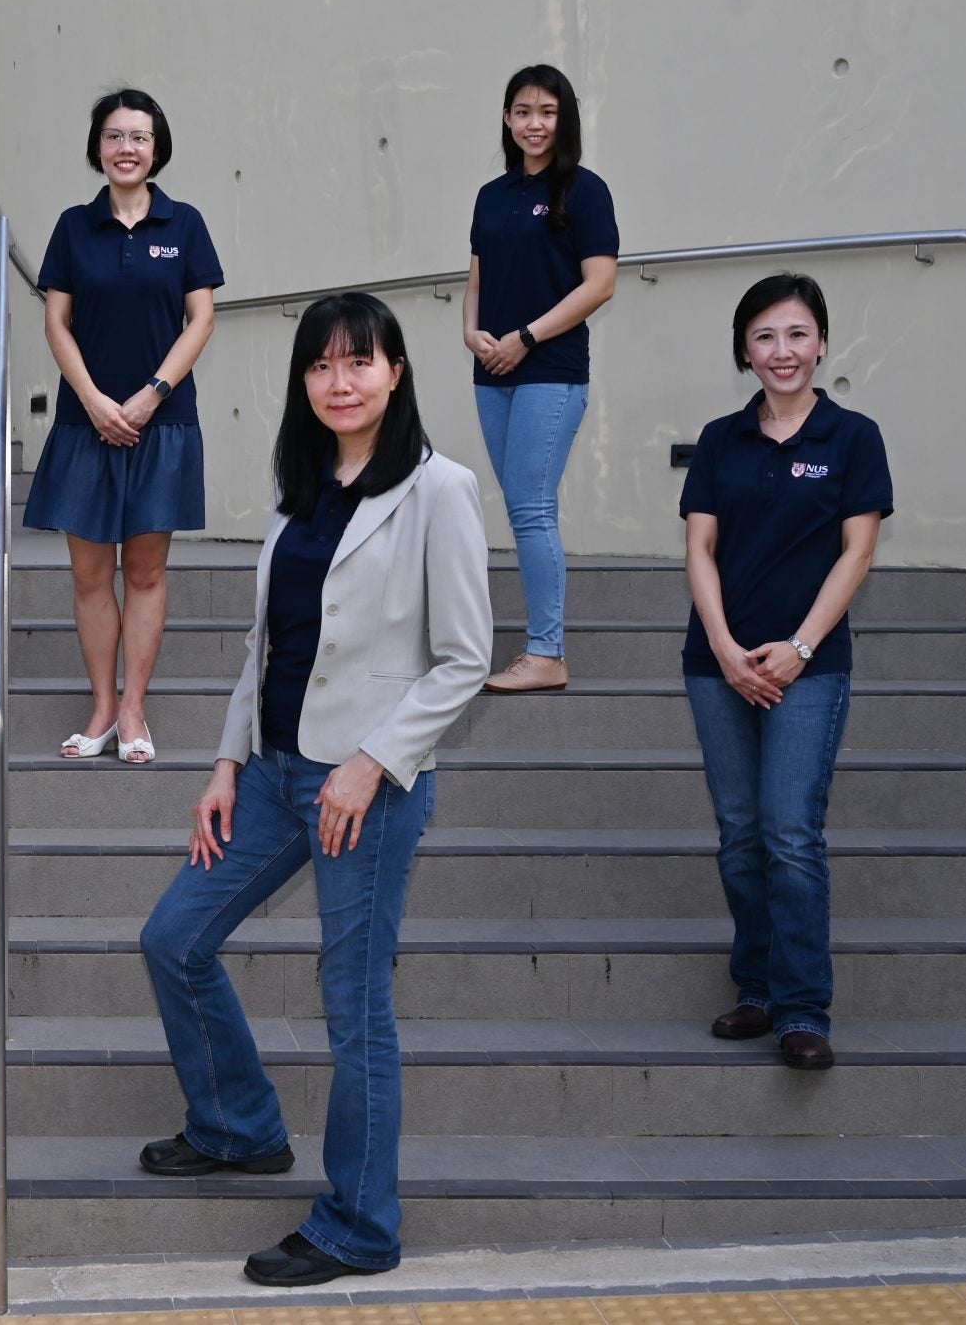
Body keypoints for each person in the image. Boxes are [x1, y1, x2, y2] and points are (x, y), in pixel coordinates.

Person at [138, 293, 492, 1287]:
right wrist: (225, 762)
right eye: (321, 365)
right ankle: (238, 1123)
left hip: (364, 786)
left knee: (353, 1003)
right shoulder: (299, 483)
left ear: (396, 372)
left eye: (359, 362)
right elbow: (268, 642)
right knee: (173, 937)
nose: (340, 382)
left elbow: (465, 658)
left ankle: (360, 1223)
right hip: (274, 769)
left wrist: (372, 762)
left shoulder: (439, 489)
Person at [679, 273, 892, 1072]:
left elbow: (857, 553)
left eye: (797, 333)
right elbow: (700, 548)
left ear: (822, 343)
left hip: (811, 666)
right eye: (765, 335)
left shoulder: (852, 437)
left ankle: (803, 1007)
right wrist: (725, 647)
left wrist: (798, 648)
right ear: (745, 349)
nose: (782, 350)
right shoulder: (721, 439)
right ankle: (759, 988)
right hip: (718, 664)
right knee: (740, 834)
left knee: (789, 832)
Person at [22, 88, 223, 764]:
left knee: (144, 571)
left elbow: (201, 319)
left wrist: (150, 395)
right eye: (114, 136)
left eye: (139, 136)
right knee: (89, 575)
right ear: (98, 147)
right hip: (86, 424)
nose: (126, 148)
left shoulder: (185, 224)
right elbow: (56, 322)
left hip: (162, 423)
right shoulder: (73, 227)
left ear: (157, 147)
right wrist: (95, 401)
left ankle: (133, 707)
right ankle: (103, 706)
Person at [462, 64, 619, 693]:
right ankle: (541, 648)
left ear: (564, 119)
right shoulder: (490, 195)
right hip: (492, 371)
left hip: (549, 370)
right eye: (523, 111)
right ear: (507, 118)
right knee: (524, 507)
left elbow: (600, 285)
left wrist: (526, 337)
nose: (535, 123)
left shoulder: (585, 190)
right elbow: (476, 280)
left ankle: (547, 652)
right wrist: (471, 332)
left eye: (548, 112)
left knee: (531, 509)